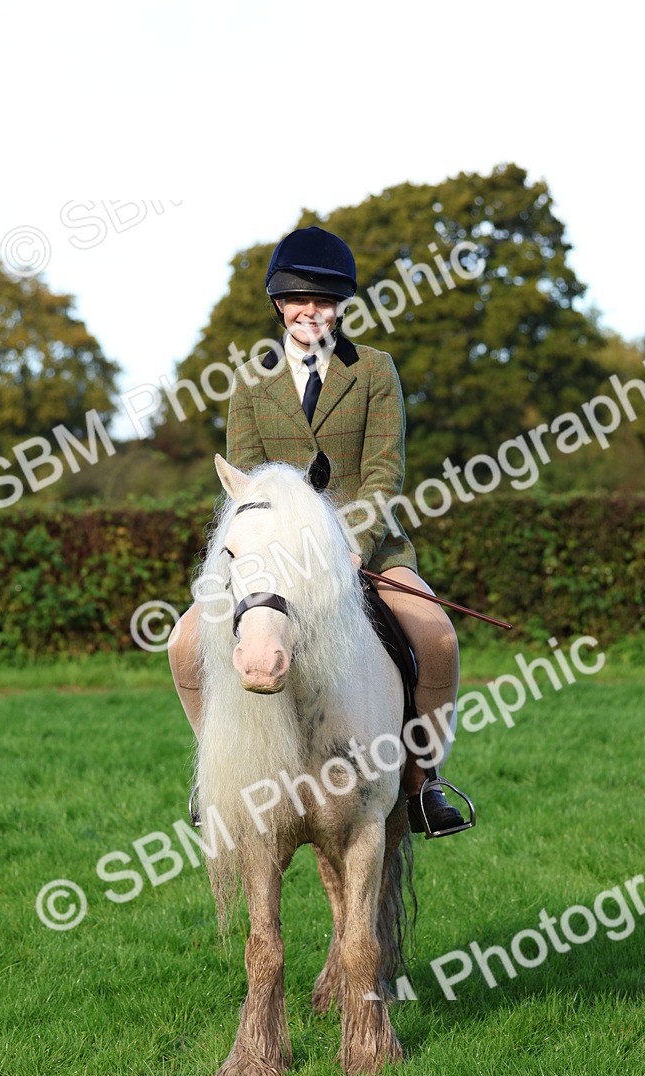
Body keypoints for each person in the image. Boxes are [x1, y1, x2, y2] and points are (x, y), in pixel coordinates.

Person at [168, 225, 474, 837]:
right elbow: (249, 481)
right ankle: (218, 779)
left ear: (341, 307)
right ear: (280, 305)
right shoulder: (250, 382)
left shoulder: (375, 372)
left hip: (367, 548)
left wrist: (351, 537)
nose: (313, 313)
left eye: (326, 302)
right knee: (182, 644)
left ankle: (423, 781)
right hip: (273, 557)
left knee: (437, 637)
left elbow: (386, 469)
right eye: (300, 301)